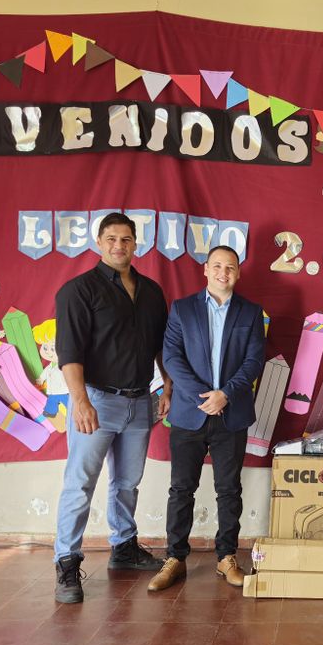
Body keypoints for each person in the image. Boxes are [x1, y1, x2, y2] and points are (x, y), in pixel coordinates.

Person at [52, 212, 171, 604]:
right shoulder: (78, 291)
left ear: (136, 243)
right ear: (99, 243)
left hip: (140, 401)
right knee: (80, 483)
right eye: (111, 239)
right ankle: (67, 563)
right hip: (97, 400)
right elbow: (68, 351)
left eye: (126, 239)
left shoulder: (152, 292)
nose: (119, 246)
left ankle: (124, 547)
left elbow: (158, 345)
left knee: (127, 483)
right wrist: (80, 401)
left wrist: (167, 383)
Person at [148, 245, 265, 591]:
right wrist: (204, 396)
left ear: (238, 273)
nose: (223, 273)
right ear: (205, 269)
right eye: (217, 266)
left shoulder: (251, 312)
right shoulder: (182, 309)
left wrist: (225, 394)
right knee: (181, 488)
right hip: (189, 413)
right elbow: (171, 357)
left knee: (229, 489)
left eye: (230, 268)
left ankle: (226, 557)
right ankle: (175, 559)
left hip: (232, 413)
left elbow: (254, 360)